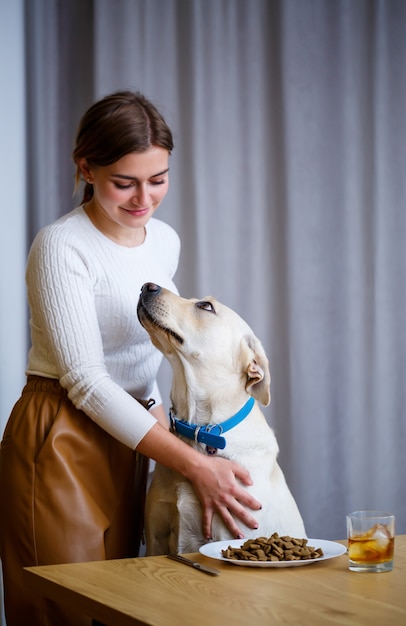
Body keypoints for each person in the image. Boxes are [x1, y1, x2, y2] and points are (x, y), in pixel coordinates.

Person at [0, 90, 261, 626]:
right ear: (86, 168)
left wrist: (174, 434)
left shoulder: (164, 241)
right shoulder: (60, 246)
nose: (144, 197)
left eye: (158, 179)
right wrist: (193, 464)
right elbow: (89, 383)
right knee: (64, 607)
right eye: (125, 182)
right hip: (61, 436)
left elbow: (149, 355)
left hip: (137, 433)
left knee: (126, 605)